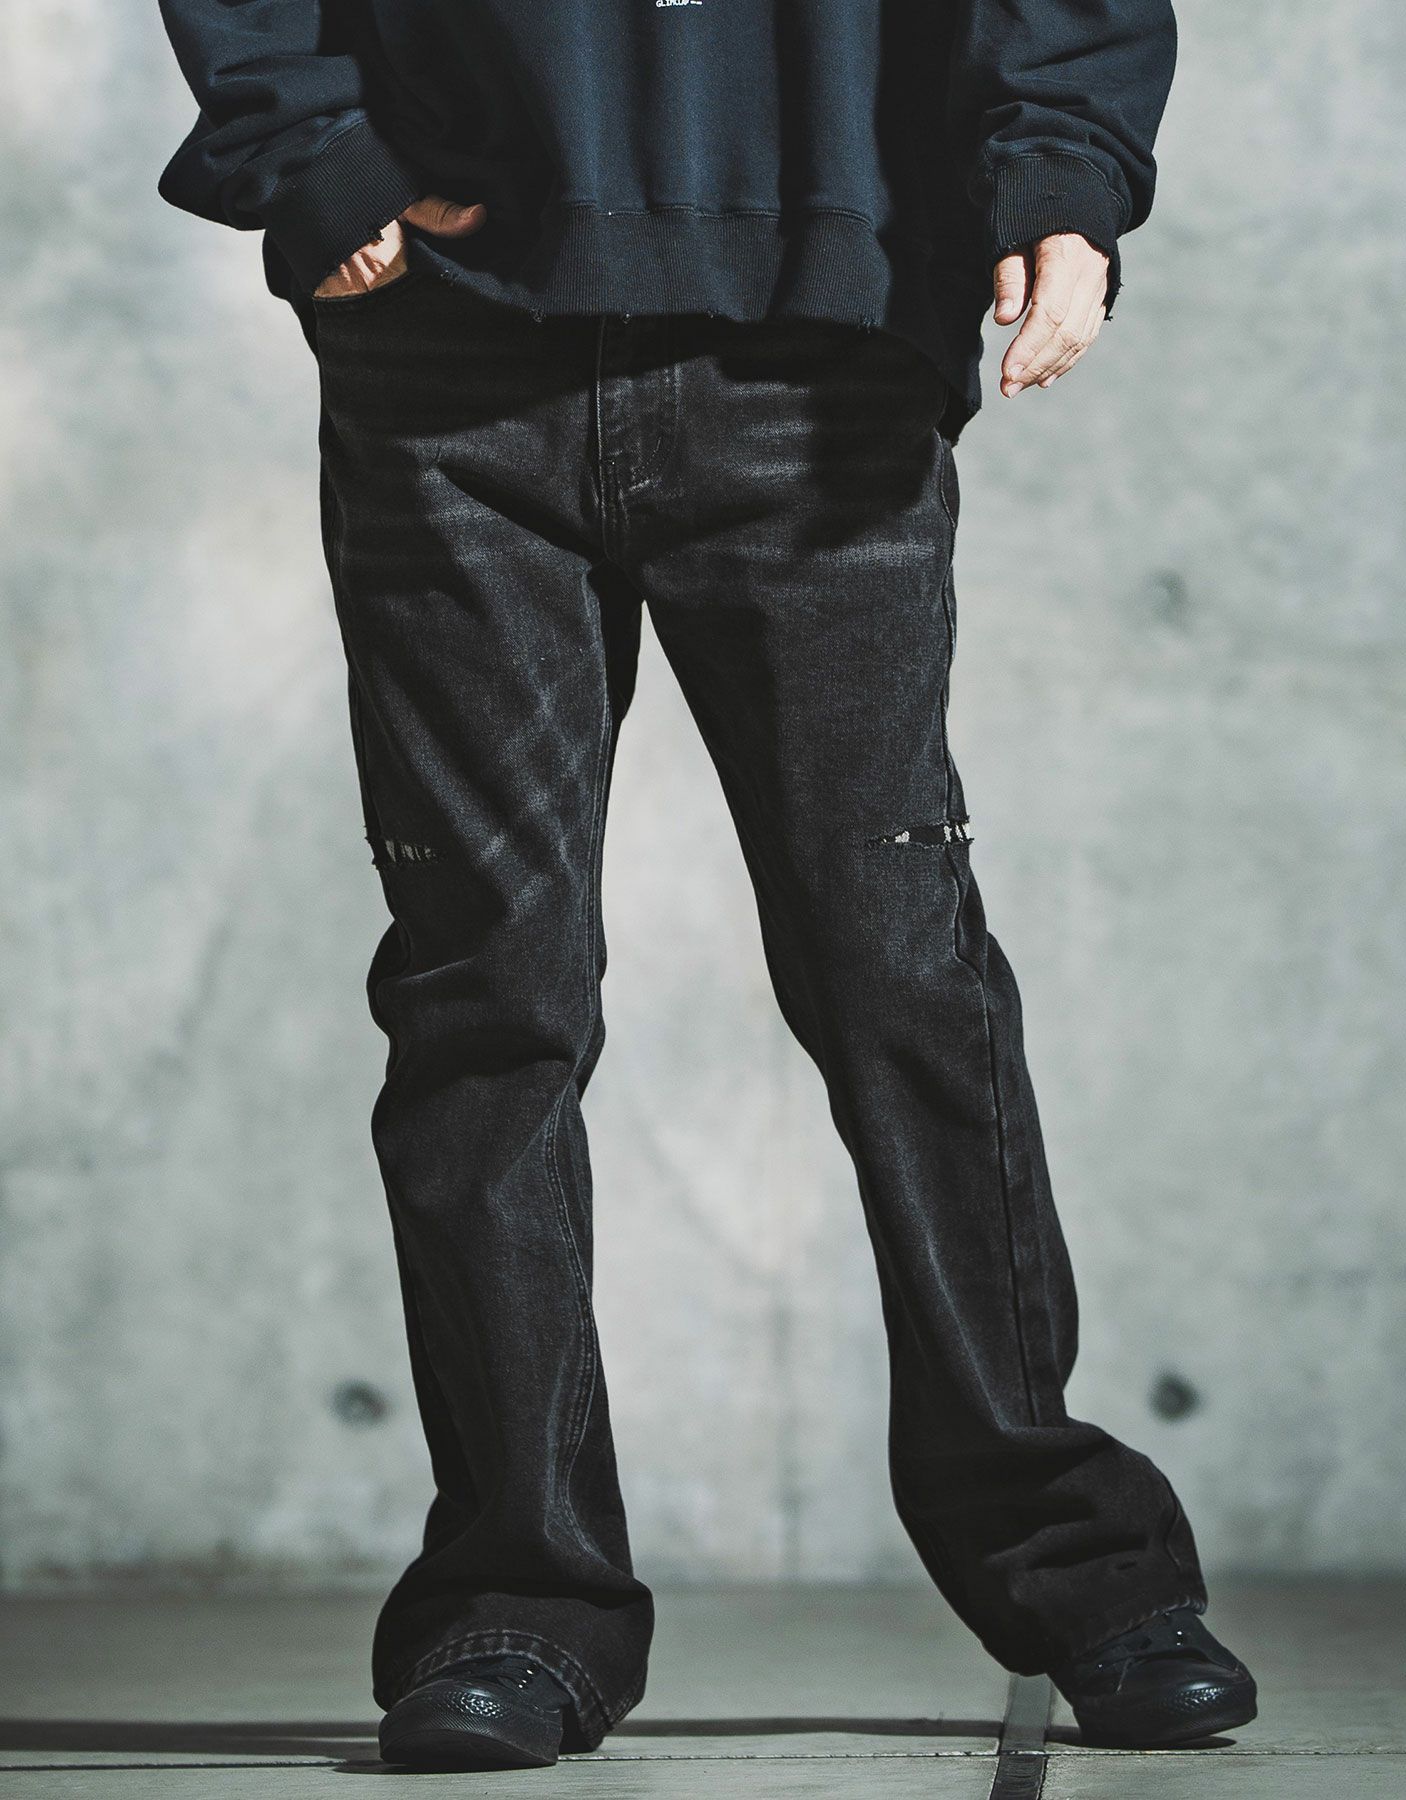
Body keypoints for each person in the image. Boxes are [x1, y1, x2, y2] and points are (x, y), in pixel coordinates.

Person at [155, 0, 1257, 1771]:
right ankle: (518, 1601)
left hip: (822, 340)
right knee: (488, 993)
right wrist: (311, 144)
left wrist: (1065, 170)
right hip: (453, 351)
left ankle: (1076, 1562)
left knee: (897, 974)